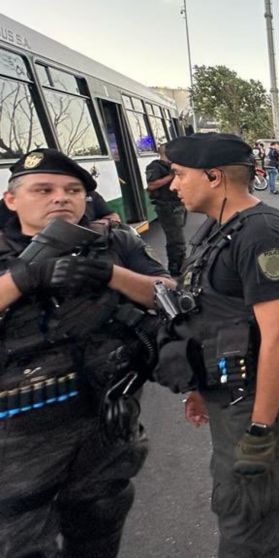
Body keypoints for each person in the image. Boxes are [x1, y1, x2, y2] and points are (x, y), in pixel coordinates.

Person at [0, 148, 171, 557]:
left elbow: (170, 295)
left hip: (106, 416)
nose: (60, 198)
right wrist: (27, 276)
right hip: (18, 433)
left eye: (72, 189)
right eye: (43, 189)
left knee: (99, 524)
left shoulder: (114, 241)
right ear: (11, 199)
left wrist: (112, 274)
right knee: (20, 542)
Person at [154, 133, 279, 557]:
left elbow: (278, 335)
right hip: (226, 394)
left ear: (214, 176)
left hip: (250, 404)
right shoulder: (217, 227)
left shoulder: (261, 234)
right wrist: (200, 387)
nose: (173, 184)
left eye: (179, 174)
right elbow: (209, 314)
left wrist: (259, 429)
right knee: (237, 503)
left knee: (250, 519)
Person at [146, 146, 187, 276]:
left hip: (177, 204)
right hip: (166, 206)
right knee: (176, 240)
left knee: (177, 237)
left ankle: (178, 265)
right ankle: (176, 269)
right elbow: (152, 185)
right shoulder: (155, 167)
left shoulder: (173, 166)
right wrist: (171, 176)